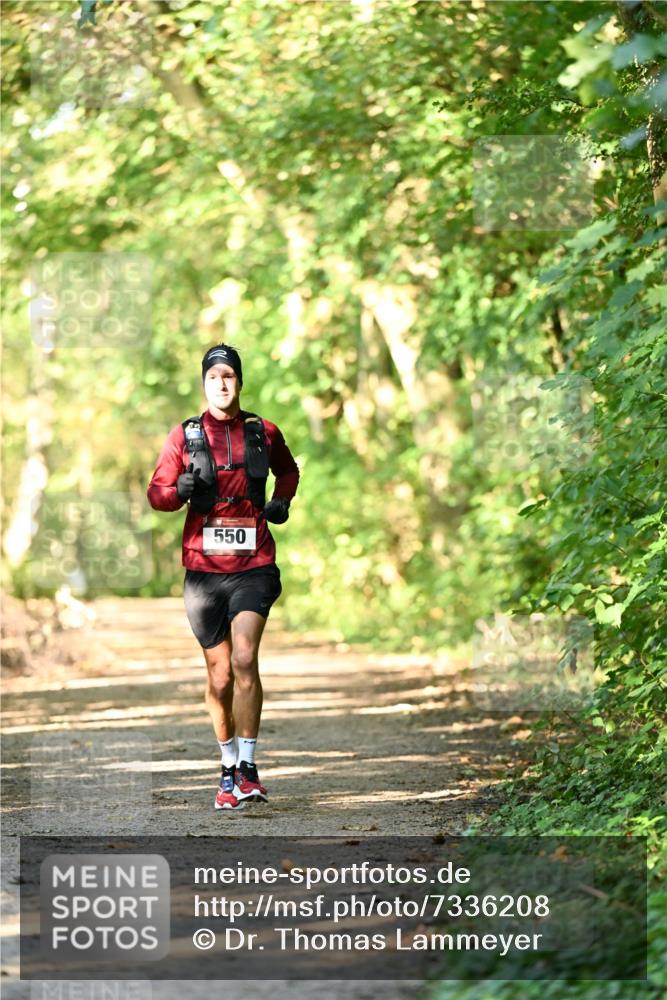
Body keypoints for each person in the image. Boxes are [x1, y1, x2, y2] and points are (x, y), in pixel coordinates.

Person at [147, 344, 299, 812]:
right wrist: (178, 490)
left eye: (228, 375)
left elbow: (288, 471)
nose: (221, 383)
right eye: (213, 377)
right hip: (203, 572)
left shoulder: (263, 431)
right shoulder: (185, 435)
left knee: (245, 658)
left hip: (254, 562)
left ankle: (248, 770)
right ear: (204, 384)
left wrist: (281, 502)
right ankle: (228, 764)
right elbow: (156, 493)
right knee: (219, 677)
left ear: (240, 382)